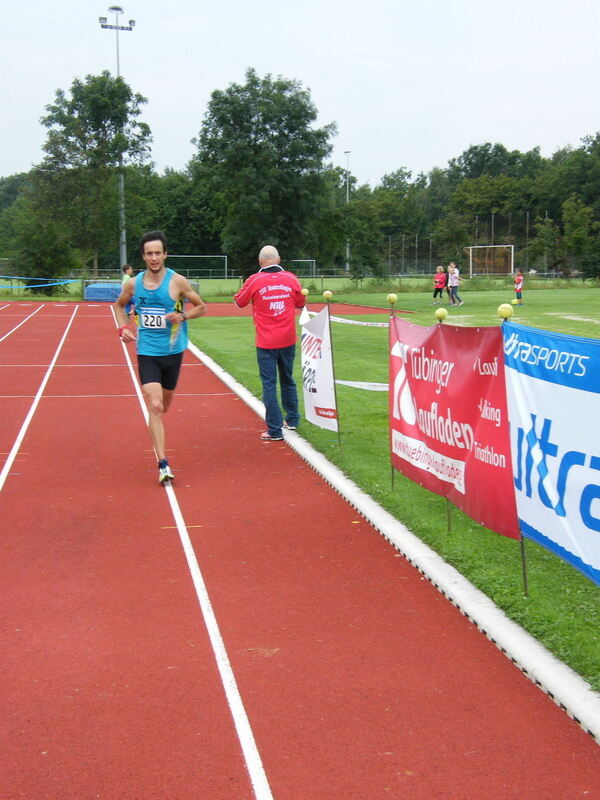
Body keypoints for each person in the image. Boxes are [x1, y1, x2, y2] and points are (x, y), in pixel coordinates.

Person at [114, 231, 206, 484]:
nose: (154, 257)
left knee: (163, 406)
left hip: (173, 352)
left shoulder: (178, 282)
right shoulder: (133, 283)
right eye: (149, 253)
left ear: (165, 254)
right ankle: (163, 463)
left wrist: (183, 316)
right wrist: (123, 328)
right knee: (154, 405)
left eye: (158, 252)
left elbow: (201, 306)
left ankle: (160, 438)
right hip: (148, 352)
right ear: (143, 256)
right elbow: (119, 305)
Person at [234, 245, 305, 442]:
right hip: (288, 339)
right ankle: (292, 419)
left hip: (266, 342)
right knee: (287, 378)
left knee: (269, 384)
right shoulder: (291, 278)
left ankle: (275, 430)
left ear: (260, 262)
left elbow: (239, 302)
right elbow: (301, 303)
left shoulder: (255, 280)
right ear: (279, 259)